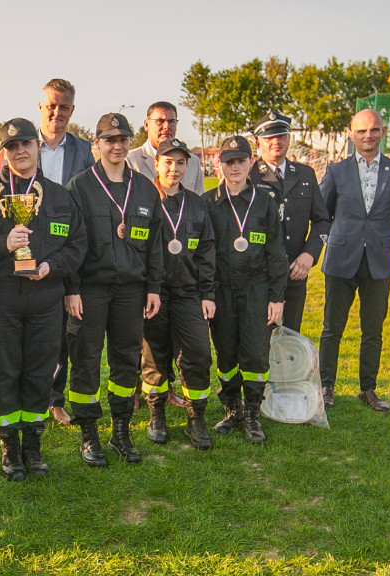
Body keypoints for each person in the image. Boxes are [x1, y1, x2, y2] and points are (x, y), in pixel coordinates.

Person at [0, 118, 87, 479]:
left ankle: (33, 446)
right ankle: (9, 447)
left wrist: (52, 266)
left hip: (45, 297)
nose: (20, 151)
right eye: (12, 146)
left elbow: (77, 244)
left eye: (26, 144)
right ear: (3, 153)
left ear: (38, 147)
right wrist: (1, 245)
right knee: (2, 371)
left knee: (39, 372)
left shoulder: (61, 196)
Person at [65, 112, 164, 466]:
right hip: (90, 290)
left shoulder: (144, 188)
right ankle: (89, 434)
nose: (117, 146)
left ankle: (120, 429)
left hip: (131, 291)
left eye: (123, 139)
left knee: (126, 360)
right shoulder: (79, 186)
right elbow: (71, 245)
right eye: (109, 140)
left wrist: (153, 287)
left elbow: (155, 244)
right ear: (97, 144)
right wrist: (71, 289)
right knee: (86, 359)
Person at [318, 109, 390, 412]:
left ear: (383, 132)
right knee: (332, 328)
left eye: (373, 130)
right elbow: (323, 213)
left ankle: (368, 388)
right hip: (340, 261)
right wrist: (345, 239)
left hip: (379, 262)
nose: (368, 136)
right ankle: (326, 386)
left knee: (373, 329)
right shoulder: (336, 171)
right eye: (361, 131)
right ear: (351, 134)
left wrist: (377, 241)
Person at [203, 136, 287, 444]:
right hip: (221, 291)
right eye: (229, 162)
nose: (235, 167)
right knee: (226, 354)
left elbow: (277, 252)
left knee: (254, 355)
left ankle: (253, 413)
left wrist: (277, 297)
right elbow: (203, 255)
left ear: (250, 162)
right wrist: (206, 295)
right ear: (219, 164)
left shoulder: (265, 202)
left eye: (240, 161)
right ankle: (232, 409)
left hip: (256, 290)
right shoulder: (208, 202)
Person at [140, 139, 216, 448]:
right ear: (156, 164)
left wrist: (208, 293)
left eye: (180, 163)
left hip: (188, 292)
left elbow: (207, 250)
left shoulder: (197, 204)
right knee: (153, 353)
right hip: (154, 293)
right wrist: (146, 289)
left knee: (198, 352)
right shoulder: (143, 200)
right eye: (168, 162)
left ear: (187, 166)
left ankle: (195, 419)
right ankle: (156, 413)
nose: (174, 168)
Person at [37, 78, 94, 425]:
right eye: (52, 105)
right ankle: (22, 394)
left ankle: (55, 398)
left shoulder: (84, 150)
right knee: (32, 329)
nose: (57, 112)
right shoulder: (24, 143)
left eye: (64, 107)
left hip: (70, 250)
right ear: (41, 107)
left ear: (72, 110)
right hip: (32, 248)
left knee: (64, 332)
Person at [248, 111, 329, 332]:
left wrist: (310, 254)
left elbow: (322, 220)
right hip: (259, 275)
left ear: (289, 138)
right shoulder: (248, 177)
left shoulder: (305, 174)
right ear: (258, 143)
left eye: (281, 135)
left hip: (295, 272)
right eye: (269, 137)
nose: (276, 142)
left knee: (291, 339)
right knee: (259, 341)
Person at [127, 102, 205, 195]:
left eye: (171, 121)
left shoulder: (193, 162)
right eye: (160, 121)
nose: (166, 126)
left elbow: (199, 203)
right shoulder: (130, 161)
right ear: (147, 125)